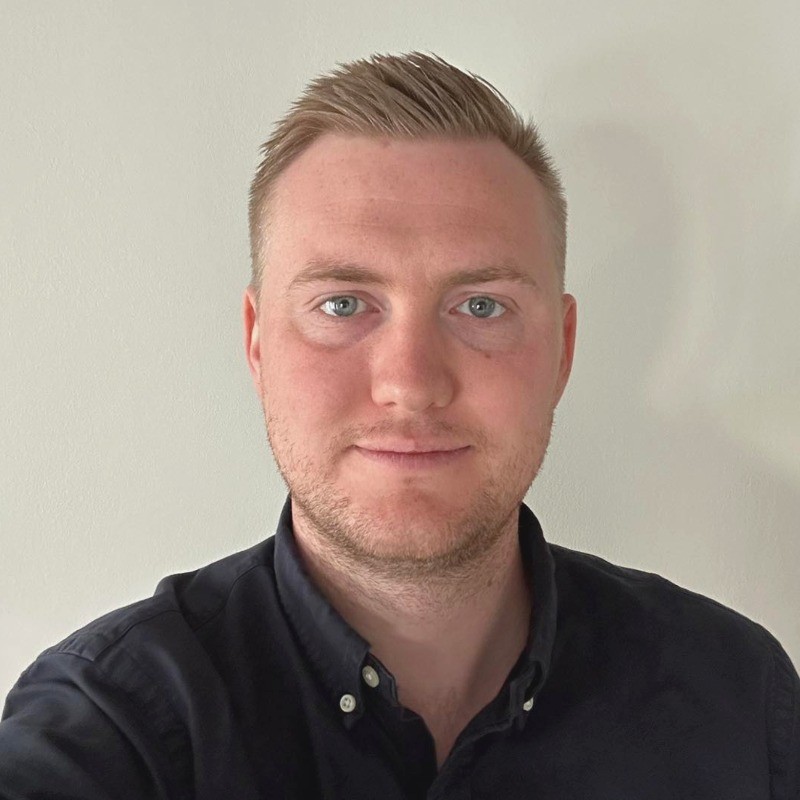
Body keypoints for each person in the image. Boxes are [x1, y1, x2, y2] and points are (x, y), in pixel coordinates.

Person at [1, 51, 797, 799]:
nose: (411, 384)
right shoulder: (117, 725)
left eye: (480, 306)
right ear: (257, 342)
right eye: (343, 304)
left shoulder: (739, 700)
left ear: (562, 350)